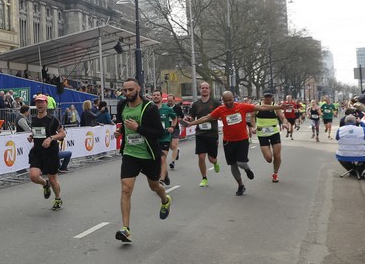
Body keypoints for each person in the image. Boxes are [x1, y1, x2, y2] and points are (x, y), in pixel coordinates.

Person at [185, 91, 285, 196]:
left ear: (233, 98)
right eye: (225, 101)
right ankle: (240, 185)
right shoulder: (220, 109)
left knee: (241, 163)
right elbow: (206, 118)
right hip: (228, 141)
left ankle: (247, 169)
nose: (228, 103)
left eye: (230, 100)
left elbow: (261, 107)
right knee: (233, 165)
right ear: (222, 100)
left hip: (242, 140)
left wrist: (279, 107)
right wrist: (191, 123)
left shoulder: (241, 106)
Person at [114, 79, 172, 242]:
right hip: (130, 153)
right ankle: (125, 229)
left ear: (138, 88)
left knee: (154, 186)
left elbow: (159, 133)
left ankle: (165, 200)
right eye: (125, 90)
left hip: (148, 155)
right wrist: (120, 131)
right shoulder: (122, 105)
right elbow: (123, 124)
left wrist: (138, 128)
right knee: (126, 189)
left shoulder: (149, 108)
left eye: (130, 90)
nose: (127, 93)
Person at [26, 93, 65, 210]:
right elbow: (38, 132)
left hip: (51, 153)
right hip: (37, 152)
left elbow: (62, 134)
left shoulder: (53, 120)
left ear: (46, 104)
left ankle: (58, 198)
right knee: (33, 176)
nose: (39, 104)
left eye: (42, 102)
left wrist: (51, 138)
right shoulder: (33, 119)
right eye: (38, 102)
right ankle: (45, 184)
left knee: (52, 179)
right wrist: (31, 136)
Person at [186, 81, 222, 188]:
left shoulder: (215, 103)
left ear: (209, 90)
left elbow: (221, 115)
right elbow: (192, 118)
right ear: (200, 90)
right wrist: (188, 119)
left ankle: (215, 162)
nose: (204, 89)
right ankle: (204, 178)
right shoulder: (195, 104)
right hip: (200, 134)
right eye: (202, 88)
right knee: (201, 157)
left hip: (212, 134)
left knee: (211, 159)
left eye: (206, 88)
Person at [254, 92, 287, 183]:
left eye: (269, 96)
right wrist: (254, 126)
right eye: (266, 96)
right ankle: (269, 158)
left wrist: (285, 123)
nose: (268, 98)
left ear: (272, 97)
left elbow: (282, 117)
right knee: (269, 158)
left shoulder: (275, 107)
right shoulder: (258, 106)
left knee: (277, 155)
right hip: (262, 133)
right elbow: (252, 117)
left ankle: (275, 173)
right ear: (263, 97)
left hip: (274, 132)